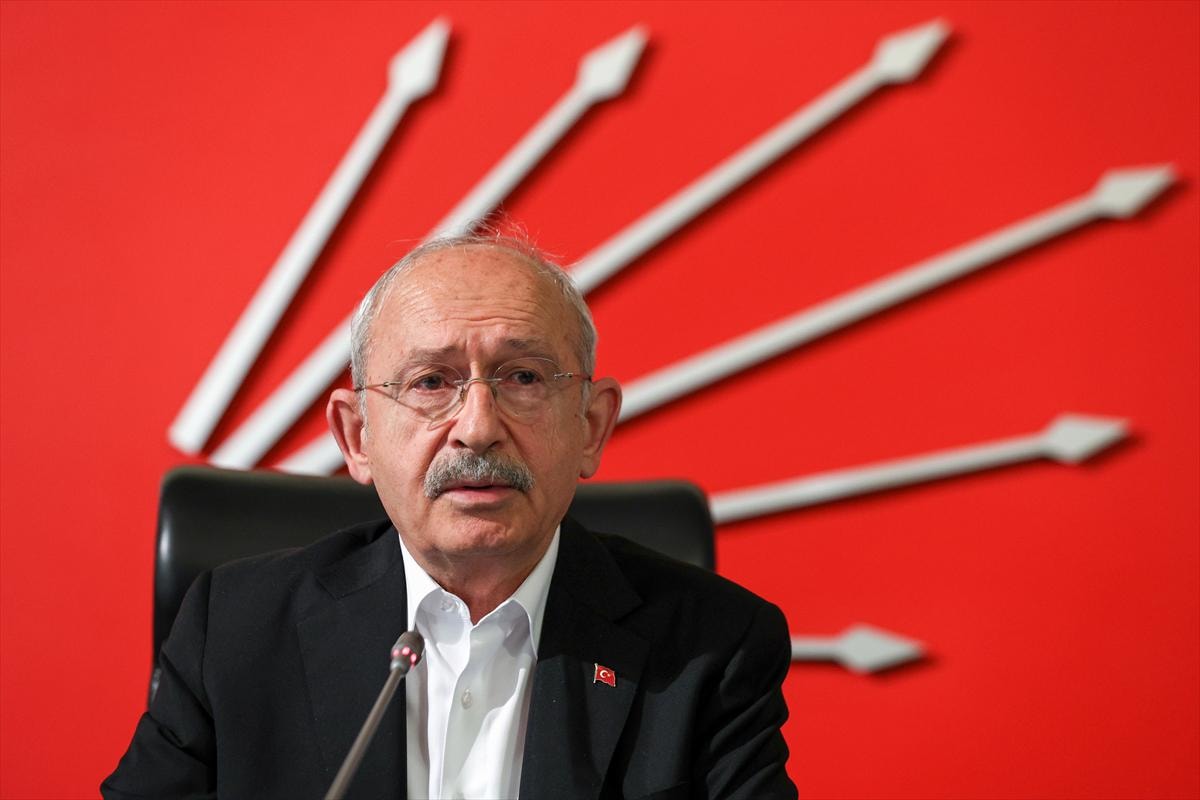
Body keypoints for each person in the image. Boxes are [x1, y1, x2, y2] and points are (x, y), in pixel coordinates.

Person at [103, 233, 797, 799]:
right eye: (432, 382)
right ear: (357, 437)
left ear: (590, 427)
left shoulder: (714, 647)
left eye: (522, 377)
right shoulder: (235, 631)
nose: (478, 427)